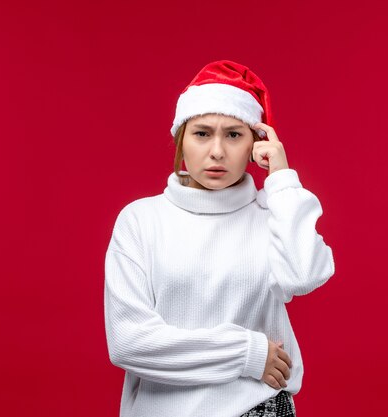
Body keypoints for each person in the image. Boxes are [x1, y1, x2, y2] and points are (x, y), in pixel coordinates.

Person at [104, 60, 336, 417]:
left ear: (255, 144)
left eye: (233, 134)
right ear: (181, 140)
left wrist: (283, 179)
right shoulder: (141, 220)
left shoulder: (271, 214)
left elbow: (304, 276)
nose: (217, 151)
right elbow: (128, 342)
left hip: (257, 407)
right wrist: (246, 354)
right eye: (202, 133)